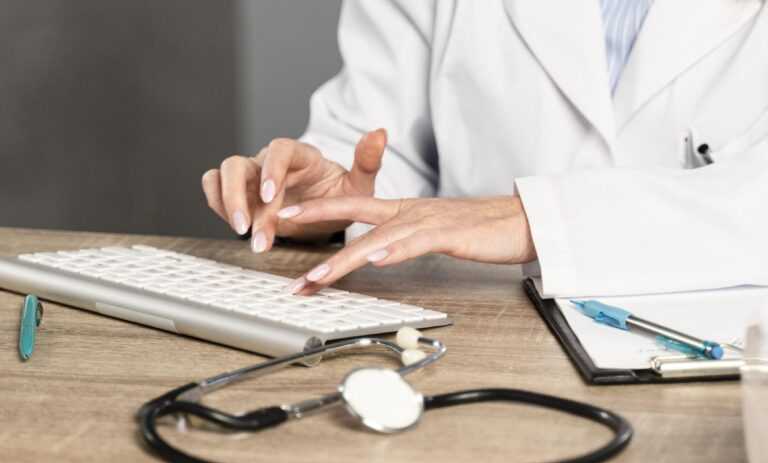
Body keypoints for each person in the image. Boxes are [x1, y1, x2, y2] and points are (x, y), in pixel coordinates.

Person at [201, 1, 768, 297]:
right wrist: (331, 201)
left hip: (721, 363)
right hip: (474, 337)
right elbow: (384, 138)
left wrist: (536, 218)